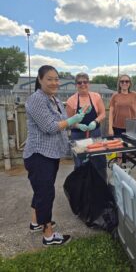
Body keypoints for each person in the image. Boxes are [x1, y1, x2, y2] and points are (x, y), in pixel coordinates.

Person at [23, 65, 86, 247]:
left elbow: (63, 122)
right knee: (46, 193)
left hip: (52, 154)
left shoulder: (55, 100)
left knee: (42, 189)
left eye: (56, 79)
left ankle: (36, 222)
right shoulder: (36, 100)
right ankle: (48, 235)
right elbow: (50, 127)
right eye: (49, 79)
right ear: (40, 79)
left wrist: (78, 125)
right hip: (38, 154)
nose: (54, 82)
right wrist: (72, 120)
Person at [66, 72, 106, 167]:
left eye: (85, 82)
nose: (82, 84)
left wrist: (95, 122)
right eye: (79, 83)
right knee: (80, 161)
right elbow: (68, 121)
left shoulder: (96, 96)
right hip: (78, 135)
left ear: (89, 83)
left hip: (95, 133)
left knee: (98, 159)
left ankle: (99, 180)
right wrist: (78, 125)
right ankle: (82, 181)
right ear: (76, 85)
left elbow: (103, 113)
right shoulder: (71, 100)